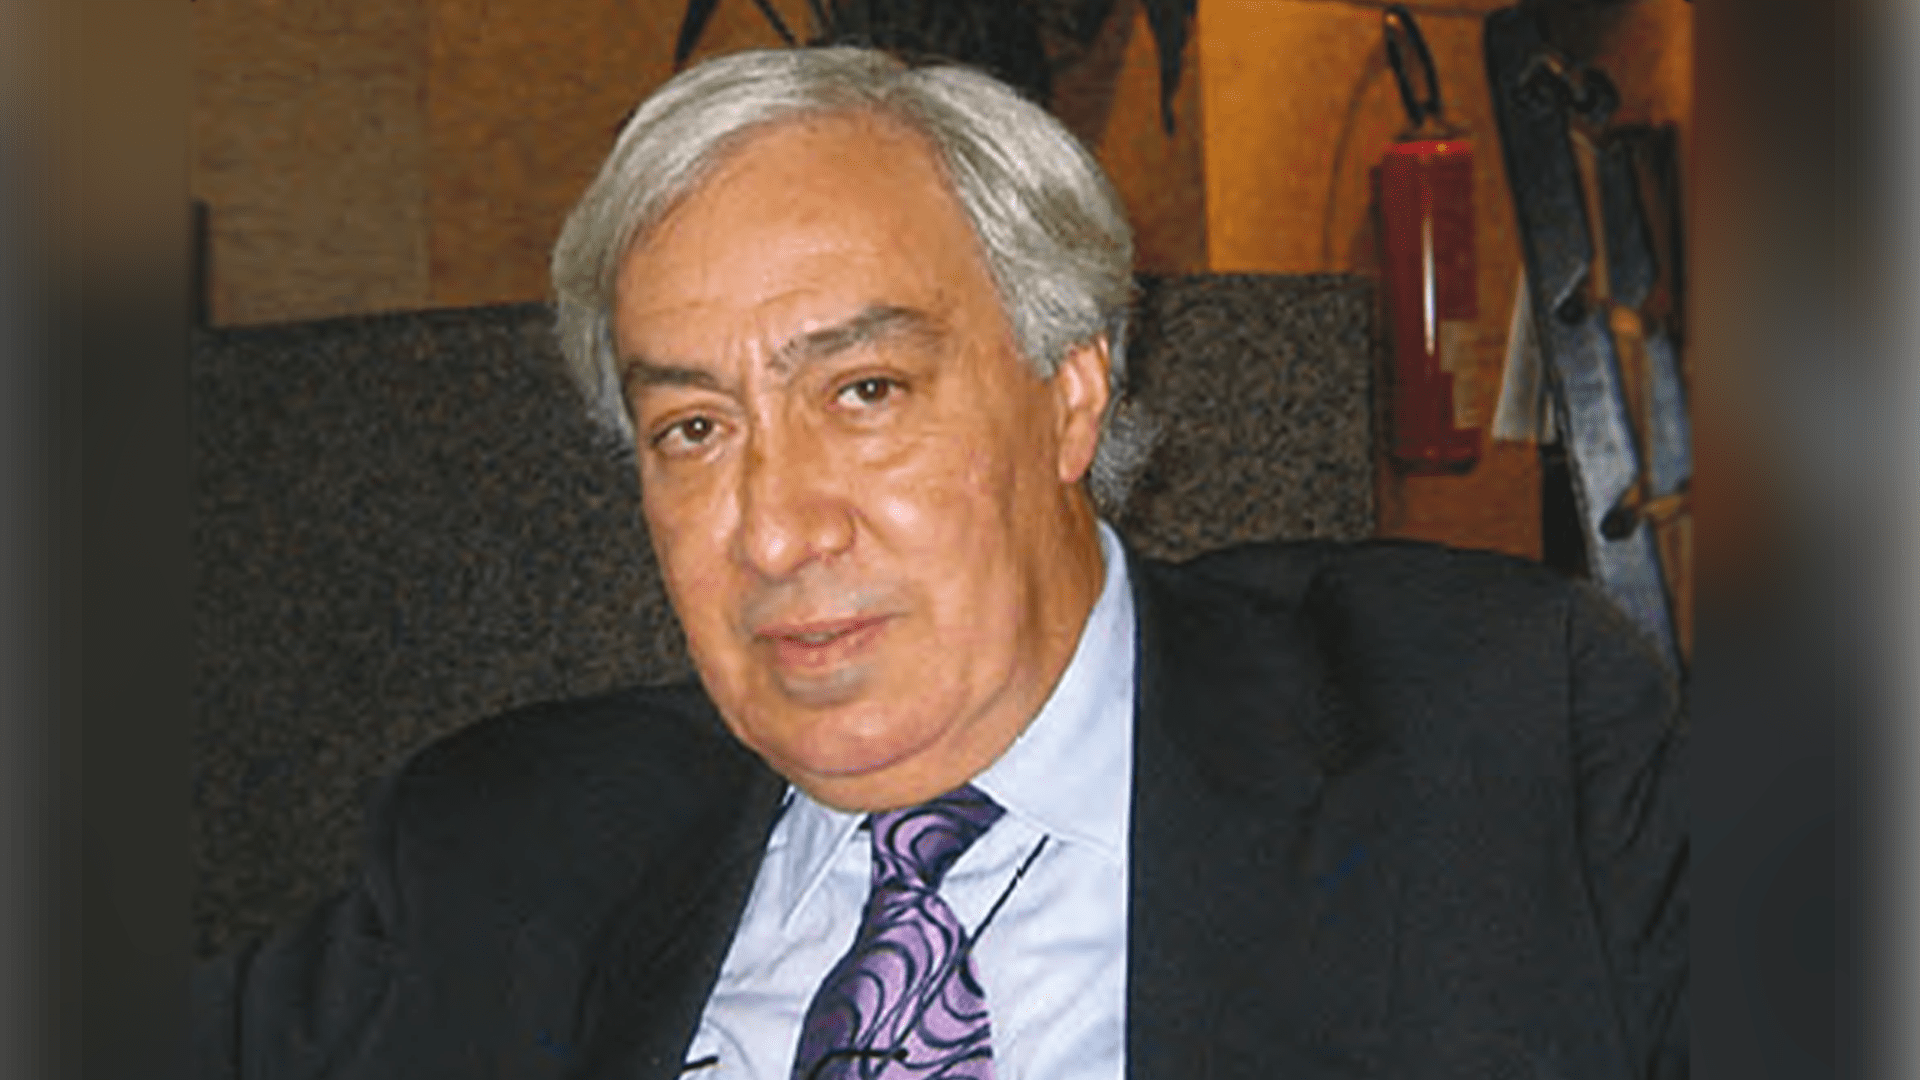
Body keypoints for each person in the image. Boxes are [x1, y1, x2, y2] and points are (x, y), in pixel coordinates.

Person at [193, 46, 1686, 1080]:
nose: (776, 530)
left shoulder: (1493, 732)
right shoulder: (504, 847)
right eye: (694, 429)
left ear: (1070, 393)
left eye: (865, 393)